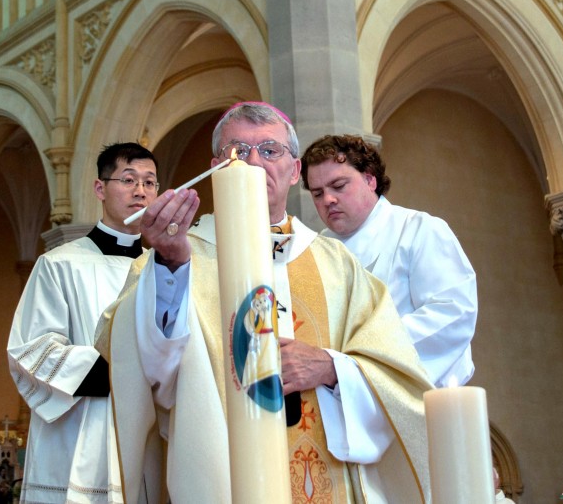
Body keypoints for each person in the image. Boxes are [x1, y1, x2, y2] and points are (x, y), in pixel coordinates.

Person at [96, 102, 434, 503]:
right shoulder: (178, 255)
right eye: (236, 152)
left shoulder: (338, 265)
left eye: (270, 151)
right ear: (215, 166)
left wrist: (332, 368)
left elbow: (399, 372)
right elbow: (137, 368)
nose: (253, 164)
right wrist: (170, 265)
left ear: (294, 172)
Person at [7, 143, 159, 504]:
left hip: (151, 430)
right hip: (83, 431)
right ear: (99, 188)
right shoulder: (59, 265)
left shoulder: (166, 270)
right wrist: (120, 370)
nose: (141, 191)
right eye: (128, 179)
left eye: (150, 182)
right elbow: (30, 350)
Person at [300, 134, 478, 387]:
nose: (328, 200)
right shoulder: (314, 252)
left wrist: (353, 363)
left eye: (339, 186)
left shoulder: (418, 230)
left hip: (415, 398)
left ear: (370, 179)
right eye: (318, 194)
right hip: (337, 402)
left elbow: (451, 314)